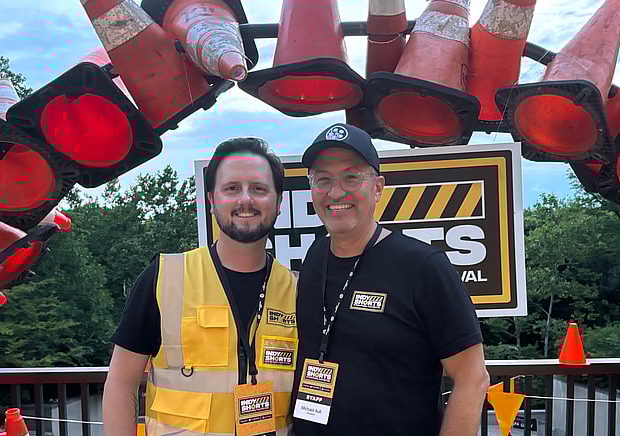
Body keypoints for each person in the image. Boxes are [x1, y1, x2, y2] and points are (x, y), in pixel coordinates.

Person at [291, 123, 489, 436]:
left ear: (378, 187)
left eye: (351, 178)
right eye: (323, 179)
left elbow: (472, 377)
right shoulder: (315, 257)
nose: (335, 192)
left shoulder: (423, 267)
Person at [103, 137, 299, 435]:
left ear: (279, 202)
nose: (245, 199)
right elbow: (121, 382)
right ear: (211, 199)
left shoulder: (298, 291)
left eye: (259, 189)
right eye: (231, 188)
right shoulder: (165, 277)